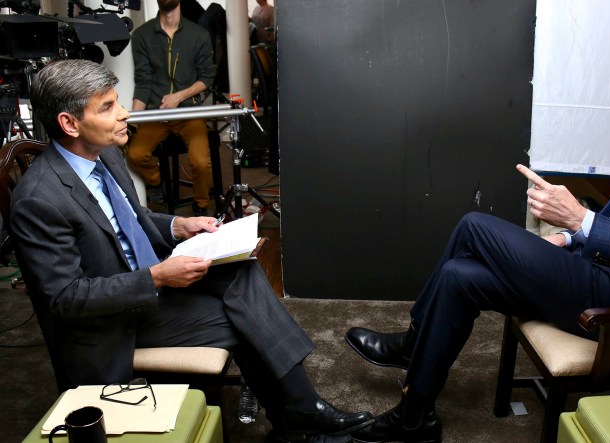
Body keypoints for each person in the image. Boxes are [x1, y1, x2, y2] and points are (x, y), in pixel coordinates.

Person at [345, 28, 610, 443]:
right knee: (457, 276)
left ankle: (413, 344)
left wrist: (579, 220)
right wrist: (569, 238)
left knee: (474, 225)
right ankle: (415, 418)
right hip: (593, 270)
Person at [12, 59, 371, 443]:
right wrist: (156, 277)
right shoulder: (39, 199)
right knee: (246, 320)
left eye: (118, 102)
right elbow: (65, 298)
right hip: (112, 324)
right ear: (69, 124)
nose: (124, 113)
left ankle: (299, 413)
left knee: (242, 271)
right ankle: (297, 418)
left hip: (148, 288)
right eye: (108, 107)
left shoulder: (105, 154)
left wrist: (178, 226)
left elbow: (132, 217)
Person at [126, 0, 215, 216]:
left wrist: (179, 96)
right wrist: (132, 121)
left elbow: (207, 77)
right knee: (135, 154)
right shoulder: (141, 35)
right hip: (157, 113)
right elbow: (143, 82)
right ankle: (158, 181)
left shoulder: (199, 35)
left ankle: (201, 204)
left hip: (189, 112)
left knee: (200, 162)